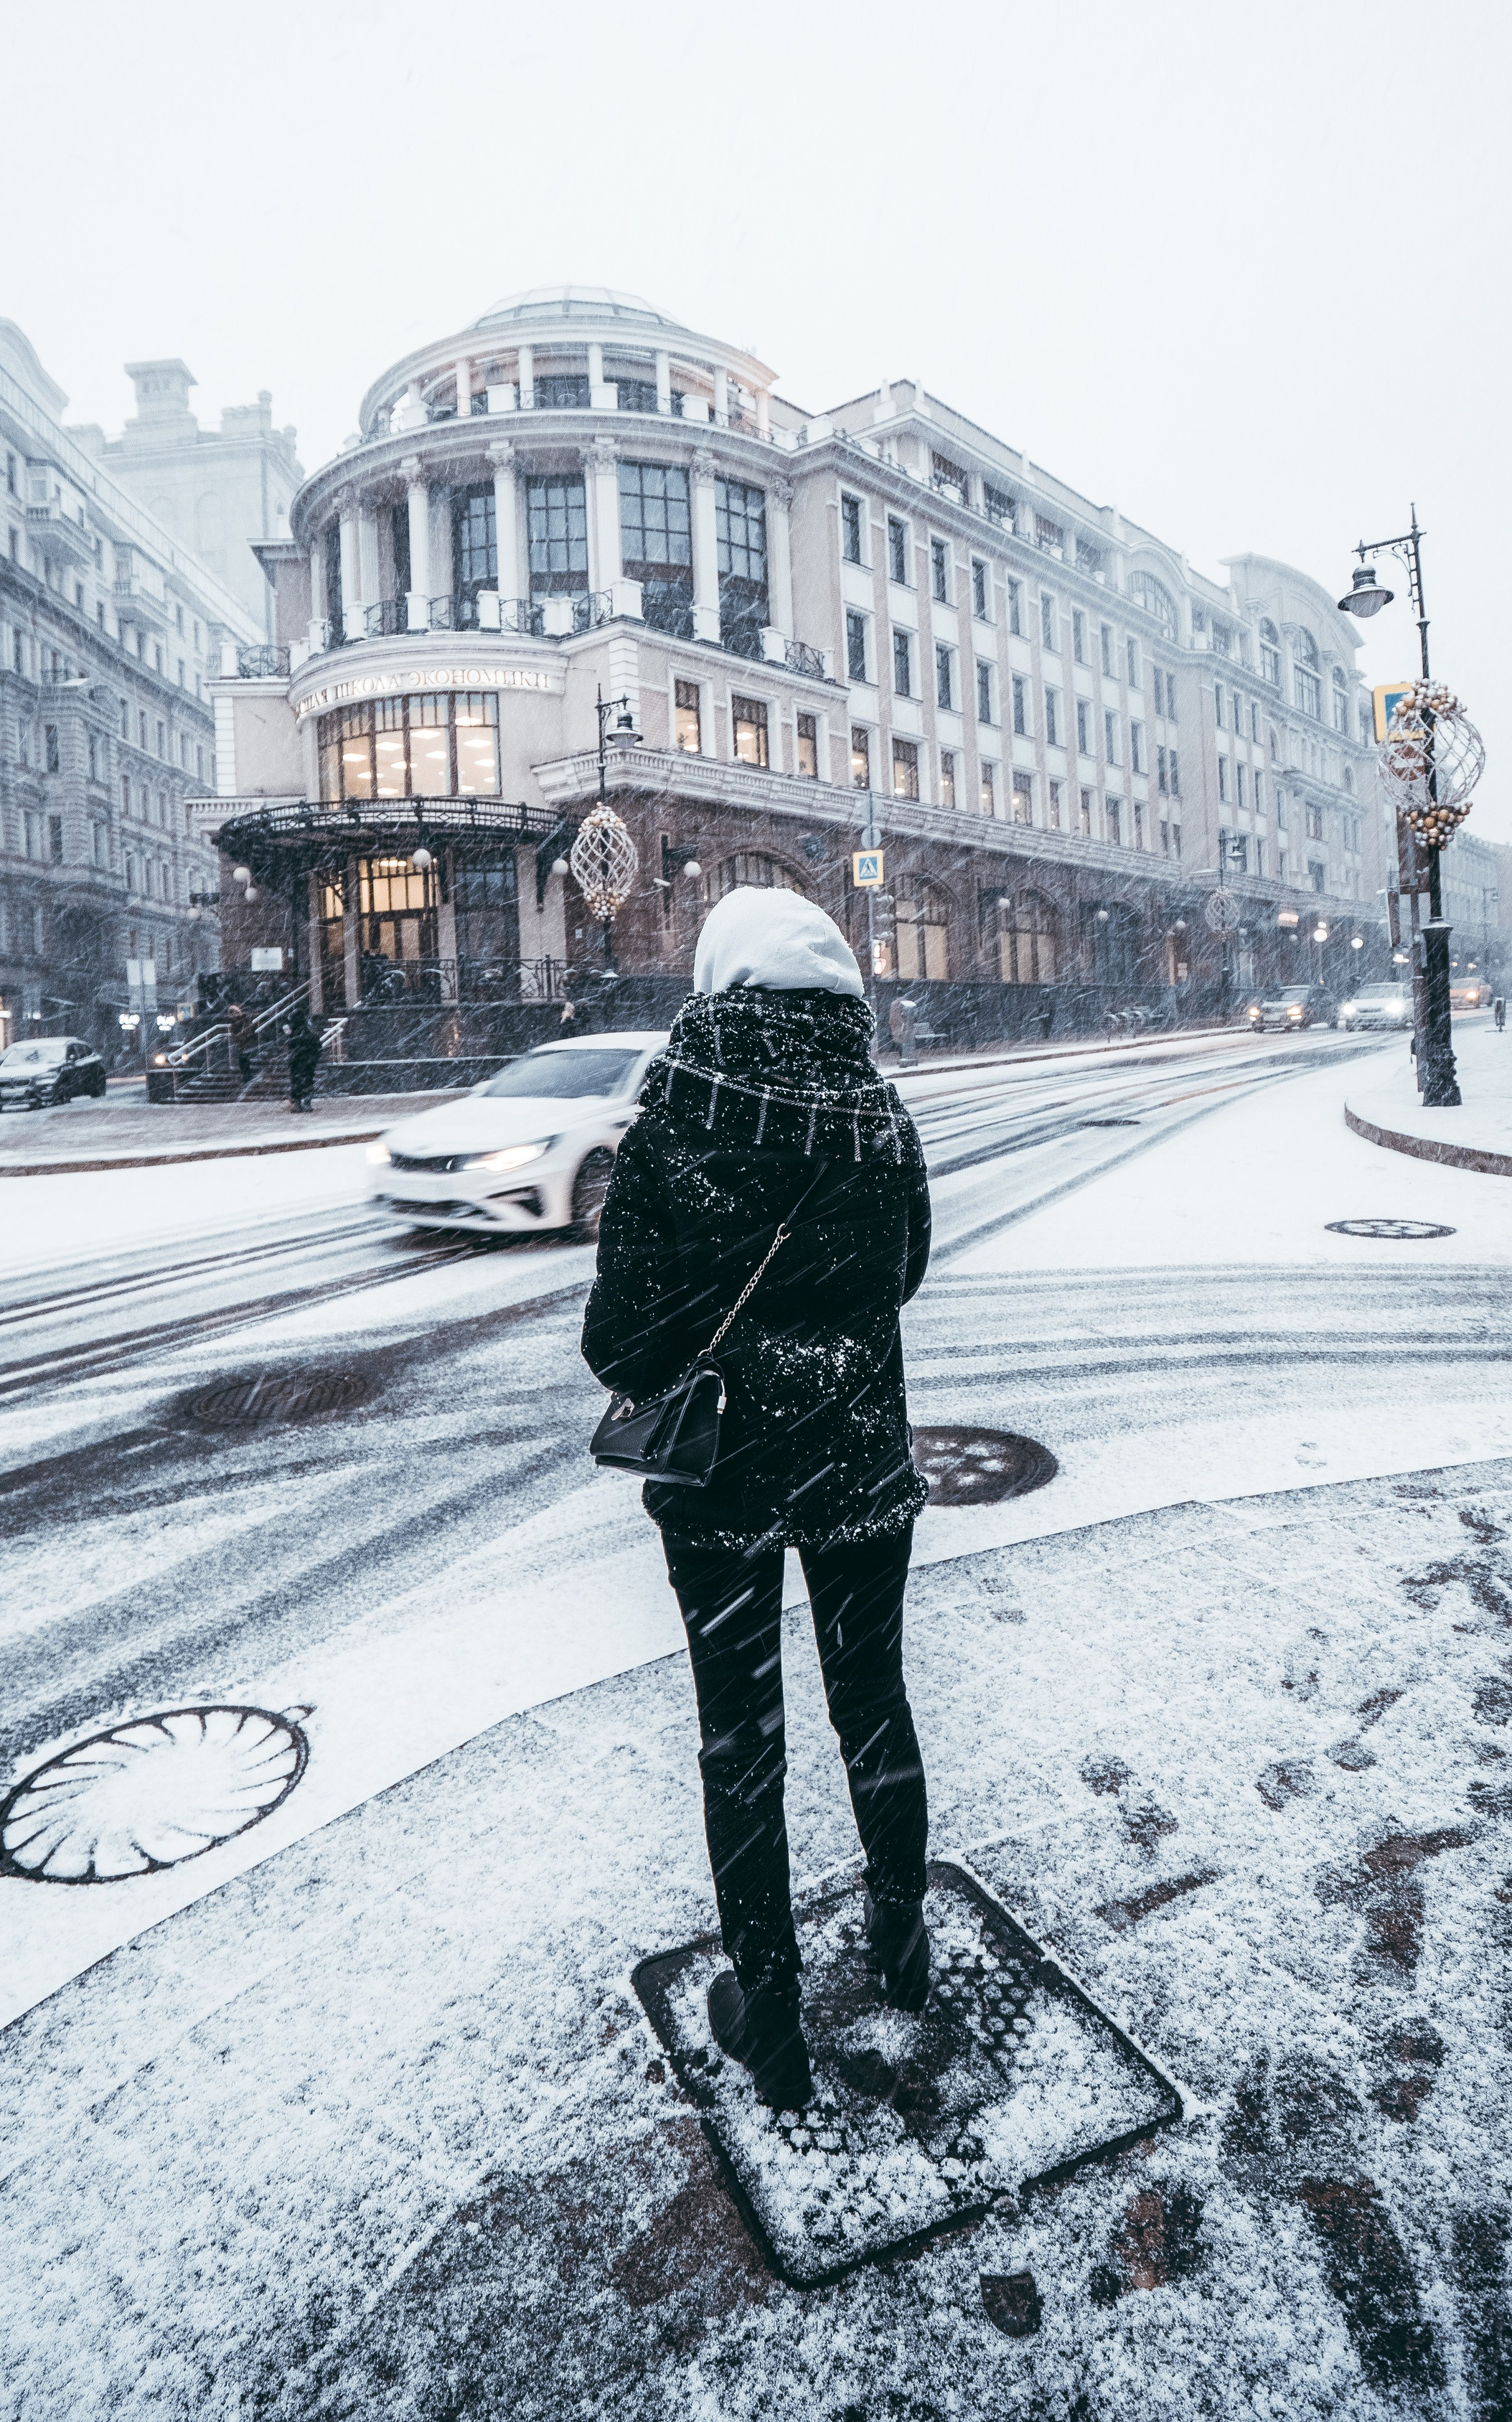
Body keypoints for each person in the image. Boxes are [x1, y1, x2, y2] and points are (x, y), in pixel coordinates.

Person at [582, 888, 932, 2110]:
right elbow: (904, 1276)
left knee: (744, 1744)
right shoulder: (880, 1116)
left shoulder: (675, 1120)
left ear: (720, 979)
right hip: (858, 1465)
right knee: (873, 1705)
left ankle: (771, 2011)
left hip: (722, 1489)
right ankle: (903, 1949)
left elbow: (619, 1347)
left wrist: (712, 1332)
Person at [286, 1010, 323, 1112]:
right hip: (305, 1063)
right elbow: (318, 1049)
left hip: (298, 1062)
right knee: (306, 1082)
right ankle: (305, 1103)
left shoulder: (296, 1035)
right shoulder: (309, 1035)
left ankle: (299, 1104)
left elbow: (291, 1045)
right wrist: (313, 1060)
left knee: (298, 1083)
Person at [226, 1003, 258, 1084]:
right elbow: (234, 1035)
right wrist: (239, 1037)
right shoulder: (233, 1024)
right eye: (232, 1013)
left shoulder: (246, 1018)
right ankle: (246, 1077)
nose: (233, 1015)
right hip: (242, 1044)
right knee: (242, 1060)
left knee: (244, 1058)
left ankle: (248, 1077)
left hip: (249, 1042)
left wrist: (240, 1036)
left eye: (234, 1012)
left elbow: (248, 1030)